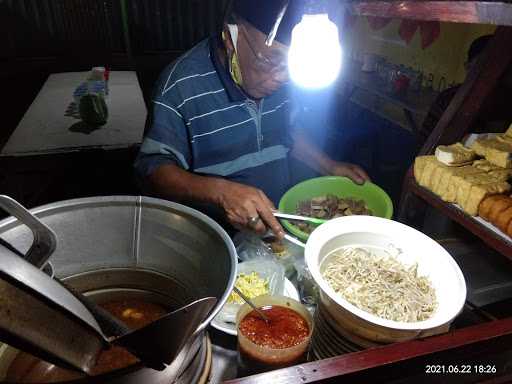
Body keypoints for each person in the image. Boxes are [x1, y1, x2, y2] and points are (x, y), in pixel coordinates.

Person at [135, 0, 369, 238]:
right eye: (270, 61)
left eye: (290, 65)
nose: (282, 77)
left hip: (275, 229)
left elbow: (286, 131)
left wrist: (328, 165)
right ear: (231, 37)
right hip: (211, 239)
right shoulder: (180, 86)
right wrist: (221, 192)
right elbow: (154, 172)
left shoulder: (288, 78)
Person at [419, 34, 512, 145]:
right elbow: (424, 142)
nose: (493, 76)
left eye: (503, 70)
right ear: (468, 67)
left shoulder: (505, 100)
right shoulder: (449, 99)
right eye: (483, 67)